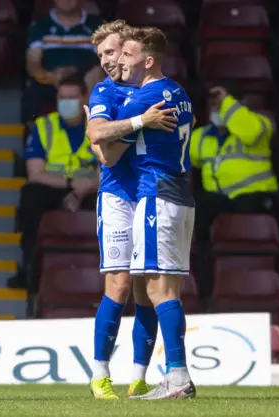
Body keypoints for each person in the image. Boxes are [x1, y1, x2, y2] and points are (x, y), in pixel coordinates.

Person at [83, 21, 178, 400]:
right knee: (119, 285)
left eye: (112, 52)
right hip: (118, 196)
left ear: (129, 50)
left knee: (146, 288)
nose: (107, 61)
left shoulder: (155, 89)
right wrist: (139, 123)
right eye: (101, 55)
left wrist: (112, 132)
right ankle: (99, 374)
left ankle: (139, 376)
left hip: (150, 194)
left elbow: (107, 141)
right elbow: (102, 149)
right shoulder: (105, 90)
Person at [100, 26, 196, 399]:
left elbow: (104, 148)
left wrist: (107, 122)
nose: (120, 61)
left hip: (156, 194)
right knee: (164, 287)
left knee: (159, 288)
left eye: (127, 55)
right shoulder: (179, 92)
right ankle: (176, 376)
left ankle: (178, 377)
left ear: (148, 60)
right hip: (178, 194)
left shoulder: (147, 97)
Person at [11, 72, 99, 291]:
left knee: (113, 199)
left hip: (90, 189)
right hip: (54, 187)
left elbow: (109, 171)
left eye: (72, 98)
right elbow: (36, 173)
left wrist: (81, 191)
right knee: (31, 194)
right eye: (62, 98)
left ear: (85, 99)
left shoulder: (101, 126)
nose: (66, 103)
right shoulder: (43, 127)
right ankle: (30, 270)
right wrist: (71, 185)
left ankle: (105, 274)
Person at [189, 84, 278, 243]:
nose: (217, 110)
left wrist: (227, 101)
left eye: (221, 105)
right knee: (196, 208)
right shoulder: (200, 136)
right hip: (219, 199)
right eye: (214, 105)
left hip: (255, 196)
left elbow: (250, 133)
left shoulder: (261, 124)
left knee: (246, 206)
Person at [22, 0, 105, 123]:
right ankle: (34, 137)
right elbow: (33, 63)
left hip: (85, 79)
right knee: (33, 97)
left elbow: (106, 60)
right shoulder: (40, 26)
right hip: (51, 78)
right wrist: (50, 76)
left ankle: (91, 129)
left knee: (97, 75)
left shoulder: (97, 25)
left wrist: (76, 75)